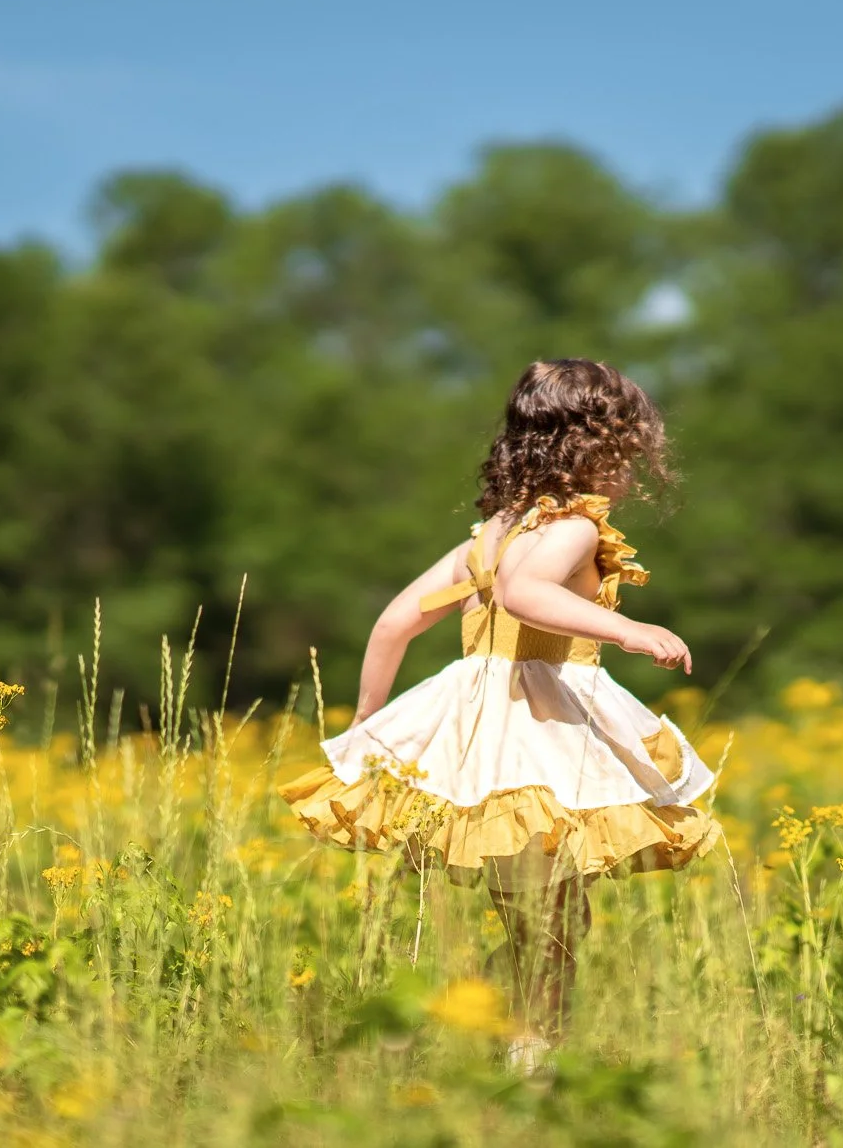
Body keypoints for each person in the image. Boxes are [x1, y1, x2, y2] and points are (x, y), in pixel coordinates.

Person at [279, 358, 722, 1071]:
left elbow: (394, 623)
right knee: (551, 920)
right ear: (592, 446)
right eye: (628, 453)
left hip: (478, 737)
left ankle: (458, 1027)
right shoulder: (573, 528)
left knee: (539, 914)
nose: (633, 473)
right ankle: (527, 1054)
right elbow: (523, 593)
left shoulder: (489, 536)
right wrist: (631, 631)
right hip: (538, 735)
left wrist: (367, 724)